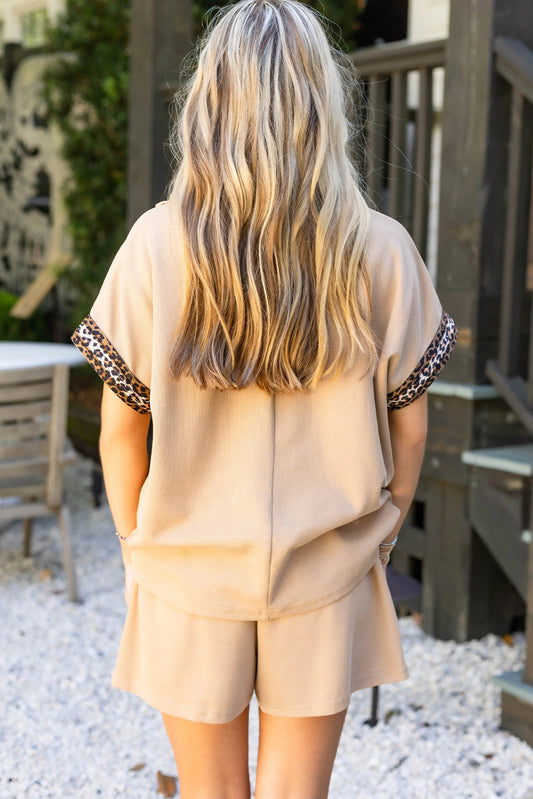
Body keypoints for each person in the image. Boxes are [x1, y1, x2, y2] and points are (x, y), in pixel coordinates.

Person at [72, 1, 457, 796]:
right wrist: (378, 536)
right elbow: (412, 431)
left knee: (210, 790)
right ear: (322, 102)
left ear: (208, 103)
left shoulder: (154, 244)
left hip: (187, 570)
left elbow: (119, 431)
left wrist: (135, 546)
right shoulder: (382, 248)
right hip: (326, 569)